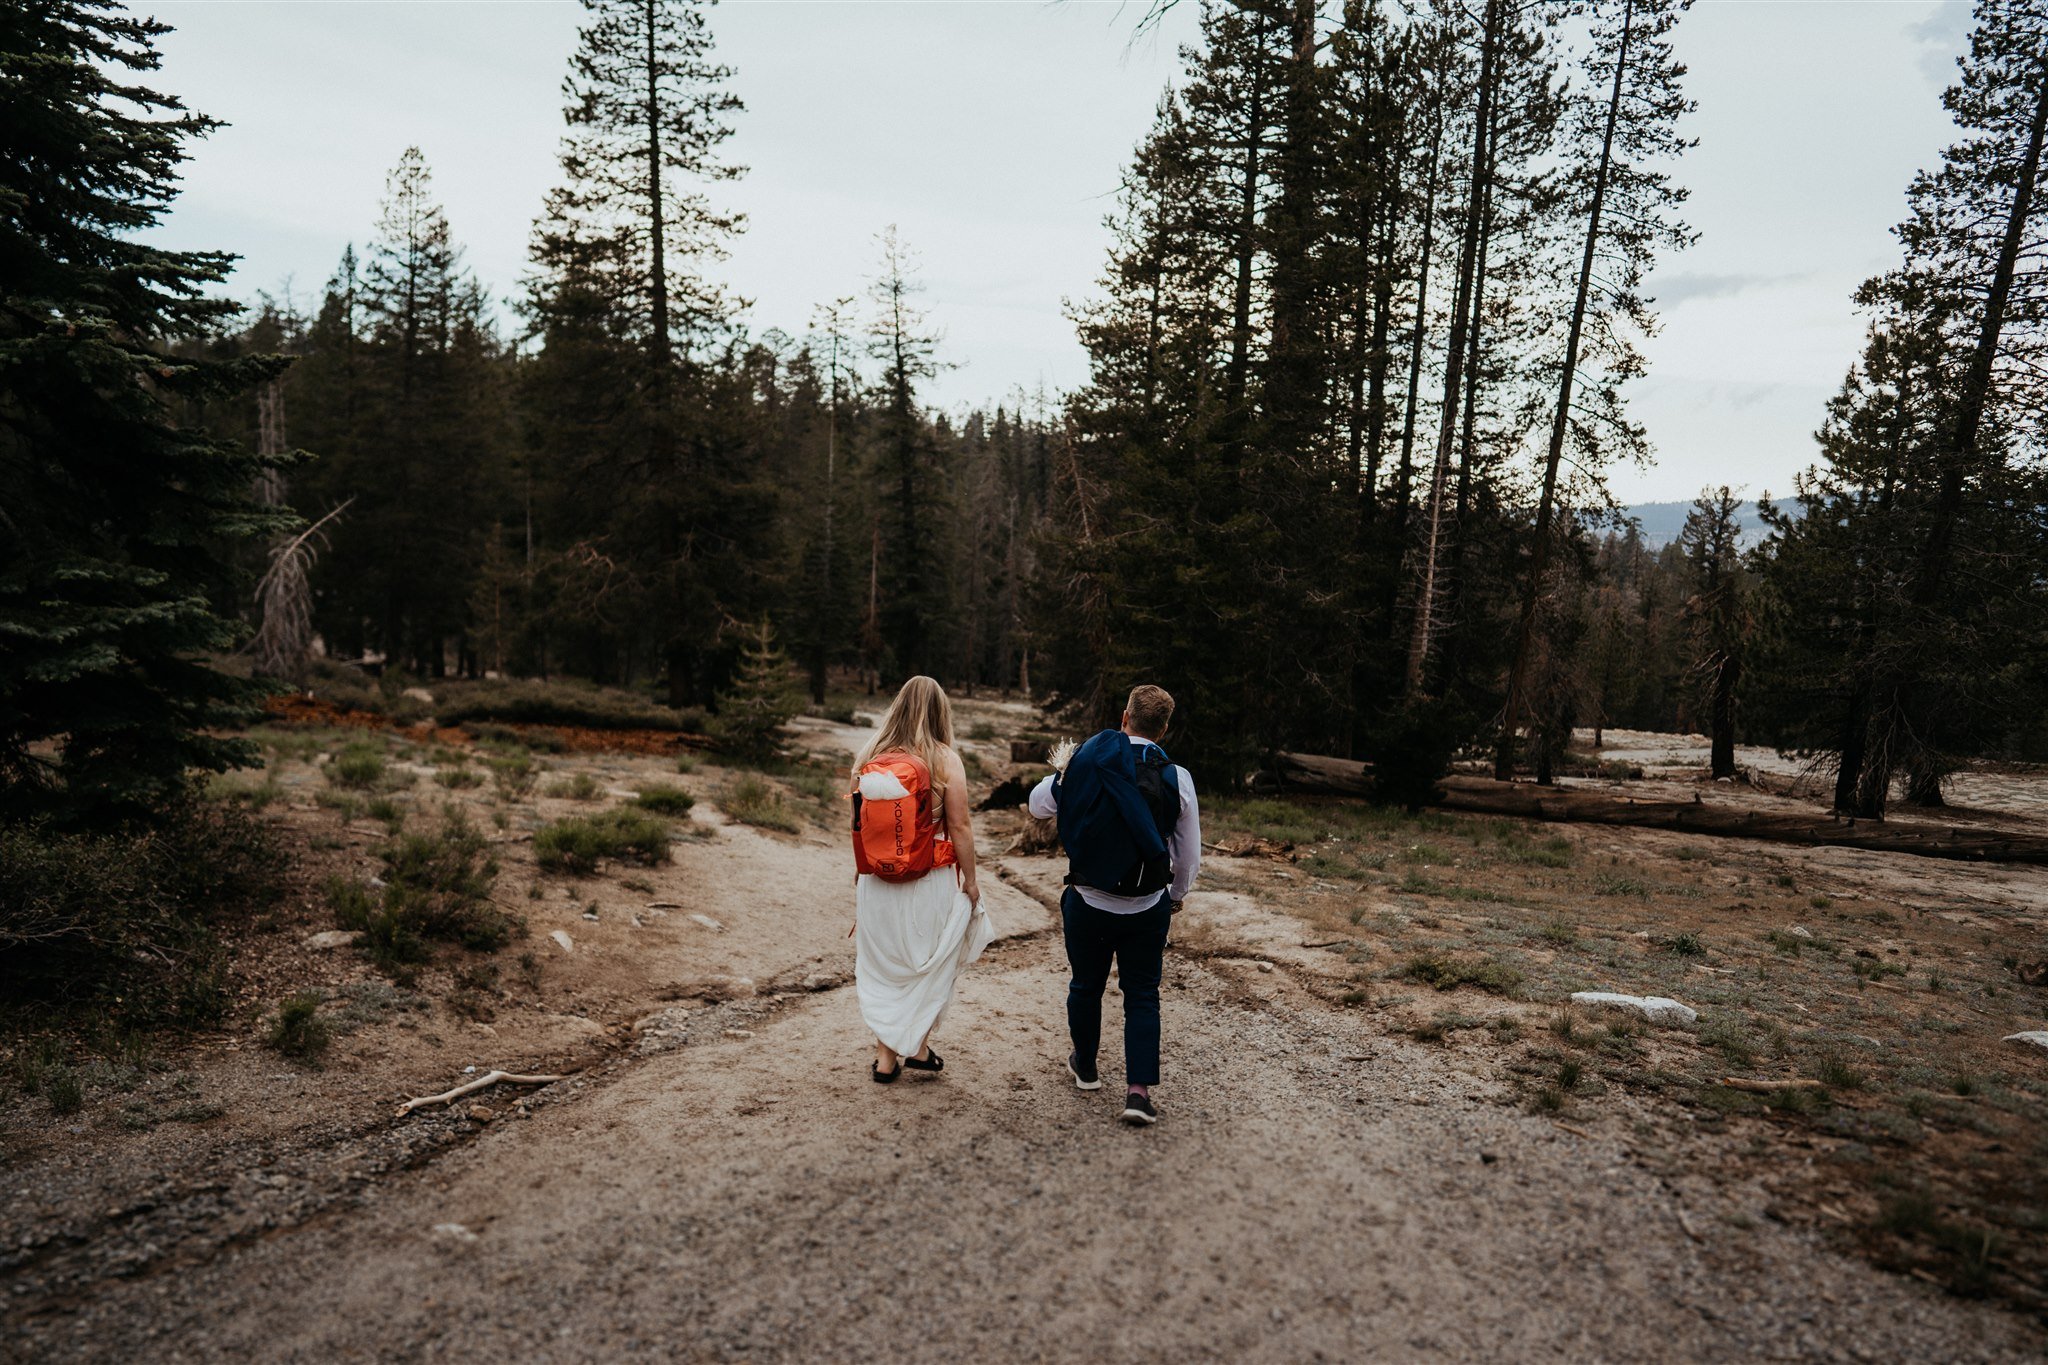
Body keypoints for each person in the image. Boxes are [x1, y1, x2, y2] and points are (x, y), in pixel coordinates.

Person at [1028, 684, 1200, 1126]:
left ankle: (1085, 1066)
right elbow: (1188, 854)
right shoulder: (1176, 777)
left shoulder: (1086, 762)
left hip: (1087, 899)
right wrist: (1174, 898)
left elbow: (1037, 806)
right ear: (1164, 729)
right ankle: (1138, 1093)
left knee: (1086, 985)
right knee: (1142, 995)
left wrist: (1066, 773)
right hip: (1146, 904)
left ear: (1124, 717)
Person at [849, 676, 993, 1084]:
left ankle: (887, 1058)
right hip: (927, 880)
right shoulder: (944, 758)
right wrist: (971, 880)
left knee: (884, 968)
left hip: (875, 883)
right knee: (925, 966)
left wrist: (861, 876)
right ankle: (916, 1046)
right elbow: (960, 826)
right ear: (940, 711)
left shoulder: (869, 754)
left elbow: (858, 825)